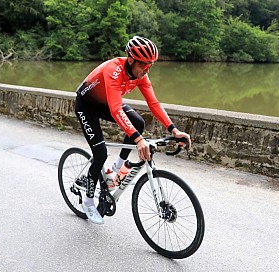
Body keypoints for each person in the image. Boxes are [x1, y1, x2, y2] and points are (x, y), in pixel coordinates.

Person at [74, 36, 191, 224]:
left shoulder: (141, 75)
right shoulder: (114, 70)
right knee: (100, 153)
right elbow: (116, 109)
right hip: (86, 106)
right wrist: (138, 140)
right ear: (131, 60)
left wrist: (174, 129)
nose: (147, 70)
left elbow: (153, 103)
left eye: (150, 65)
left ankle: (116, 170)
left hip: (107, 103)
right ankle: (88, 203)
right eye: (144, 65)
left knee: (138, 123)